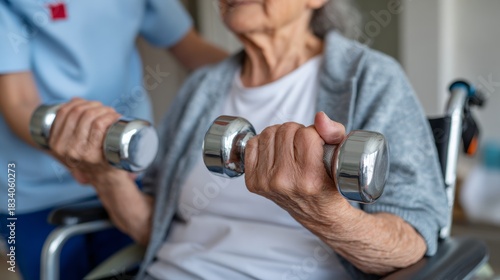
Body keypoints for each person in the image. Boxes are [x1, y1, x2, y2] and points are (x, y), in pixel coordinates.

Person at [45, 0, 449, 279]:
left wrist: (321, 211)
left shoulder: (371, 78)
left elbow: (414, 240)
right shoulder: (202, 86)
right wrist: (105, 175)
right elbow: (155, 228)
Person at [0, 0, 227, 279]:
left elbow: (191, 48)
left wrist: (284, 80)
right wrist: (84, 155)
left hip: (129, 168)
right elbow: (18, 102)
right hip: (33, 190)